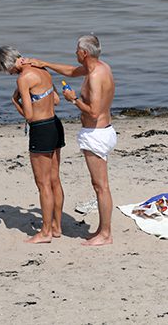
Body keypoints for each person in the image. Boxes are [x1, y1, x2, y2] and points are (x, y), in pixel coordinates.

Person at [25, 35, 116, 246]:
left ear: (84, 53)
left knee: (100, 186)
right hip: (104, 130)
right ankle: (103, 231)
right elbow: (71, 71)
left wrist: (73, 99)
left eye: (77, 50)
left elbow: (93, 112)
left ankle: (106, 234)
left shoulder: (94, 76)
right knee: (100, 185)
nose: (75, 53)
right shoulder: (101, 67)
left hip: (96, 133)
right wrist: (45, 63)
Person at [0, 46, 65, 244]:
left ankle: (45, 232)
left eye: (5, 70)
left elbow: (29, 115)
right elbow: (57, 100)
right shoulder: (42, 69)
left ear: (7, 64)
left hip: (41, 129)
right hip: (55, 124)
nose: (8, 74)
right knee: (54, 180)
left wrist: (14, 101)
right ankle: (57, 227)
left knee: (43, 184)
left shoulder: (23, 78)